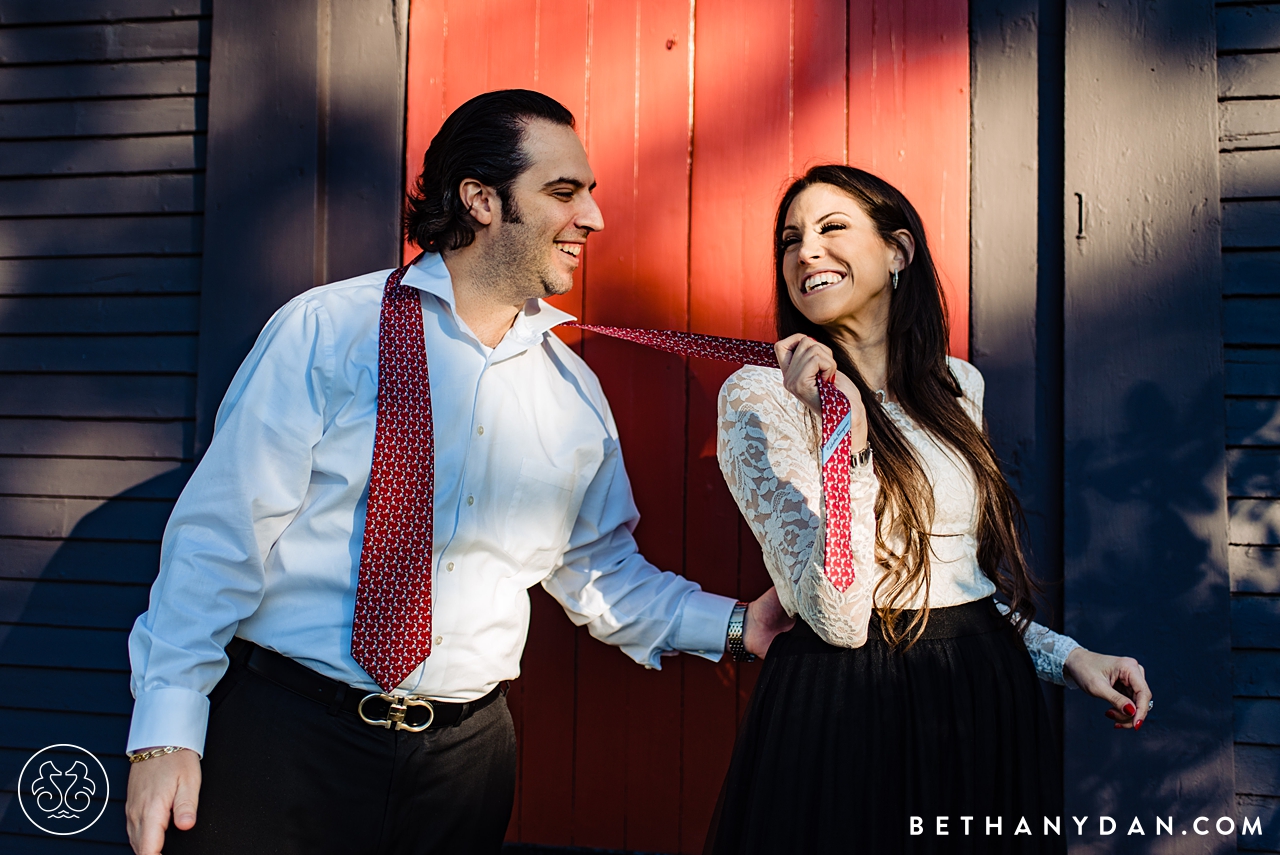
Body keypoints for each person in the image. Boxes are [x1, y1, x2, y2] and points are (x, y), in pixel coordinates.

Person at [123, 89, 790, 855]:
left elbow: (602, 573)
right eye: (564, 192)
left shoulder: (571, 394)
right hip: (284, 741)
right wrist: (164, 732)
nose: (594, 219)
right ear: (480, 199)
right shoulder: (327, 330)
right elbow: (220, 535)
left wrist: (741, 626)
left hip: (462, 769)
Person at [707, 165, 1153, 854]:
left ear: (898, 251)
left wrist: (1067, 656)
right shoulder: (759, 397)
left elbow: (956, 581)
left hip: (978, 696)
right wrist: (842, 444)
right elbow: (837, 616)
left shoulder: (955, 383)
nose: (805, 251)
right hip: (849, 706)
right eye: (791, 239)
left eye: (832, 228)